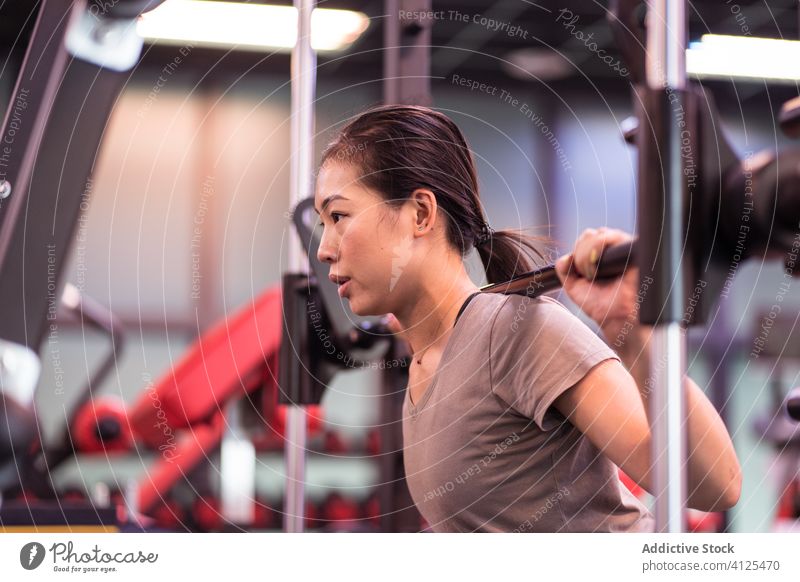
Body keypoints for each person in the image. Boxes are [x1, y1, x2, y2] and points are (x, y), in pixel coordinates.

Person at [313, 104, 741, 532]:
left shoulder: (515, 331)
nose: (324, 248)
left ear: (421, 214)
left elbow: (713, 486)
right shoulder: (427, 359)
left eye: (339, 217)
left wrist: (633, 335)